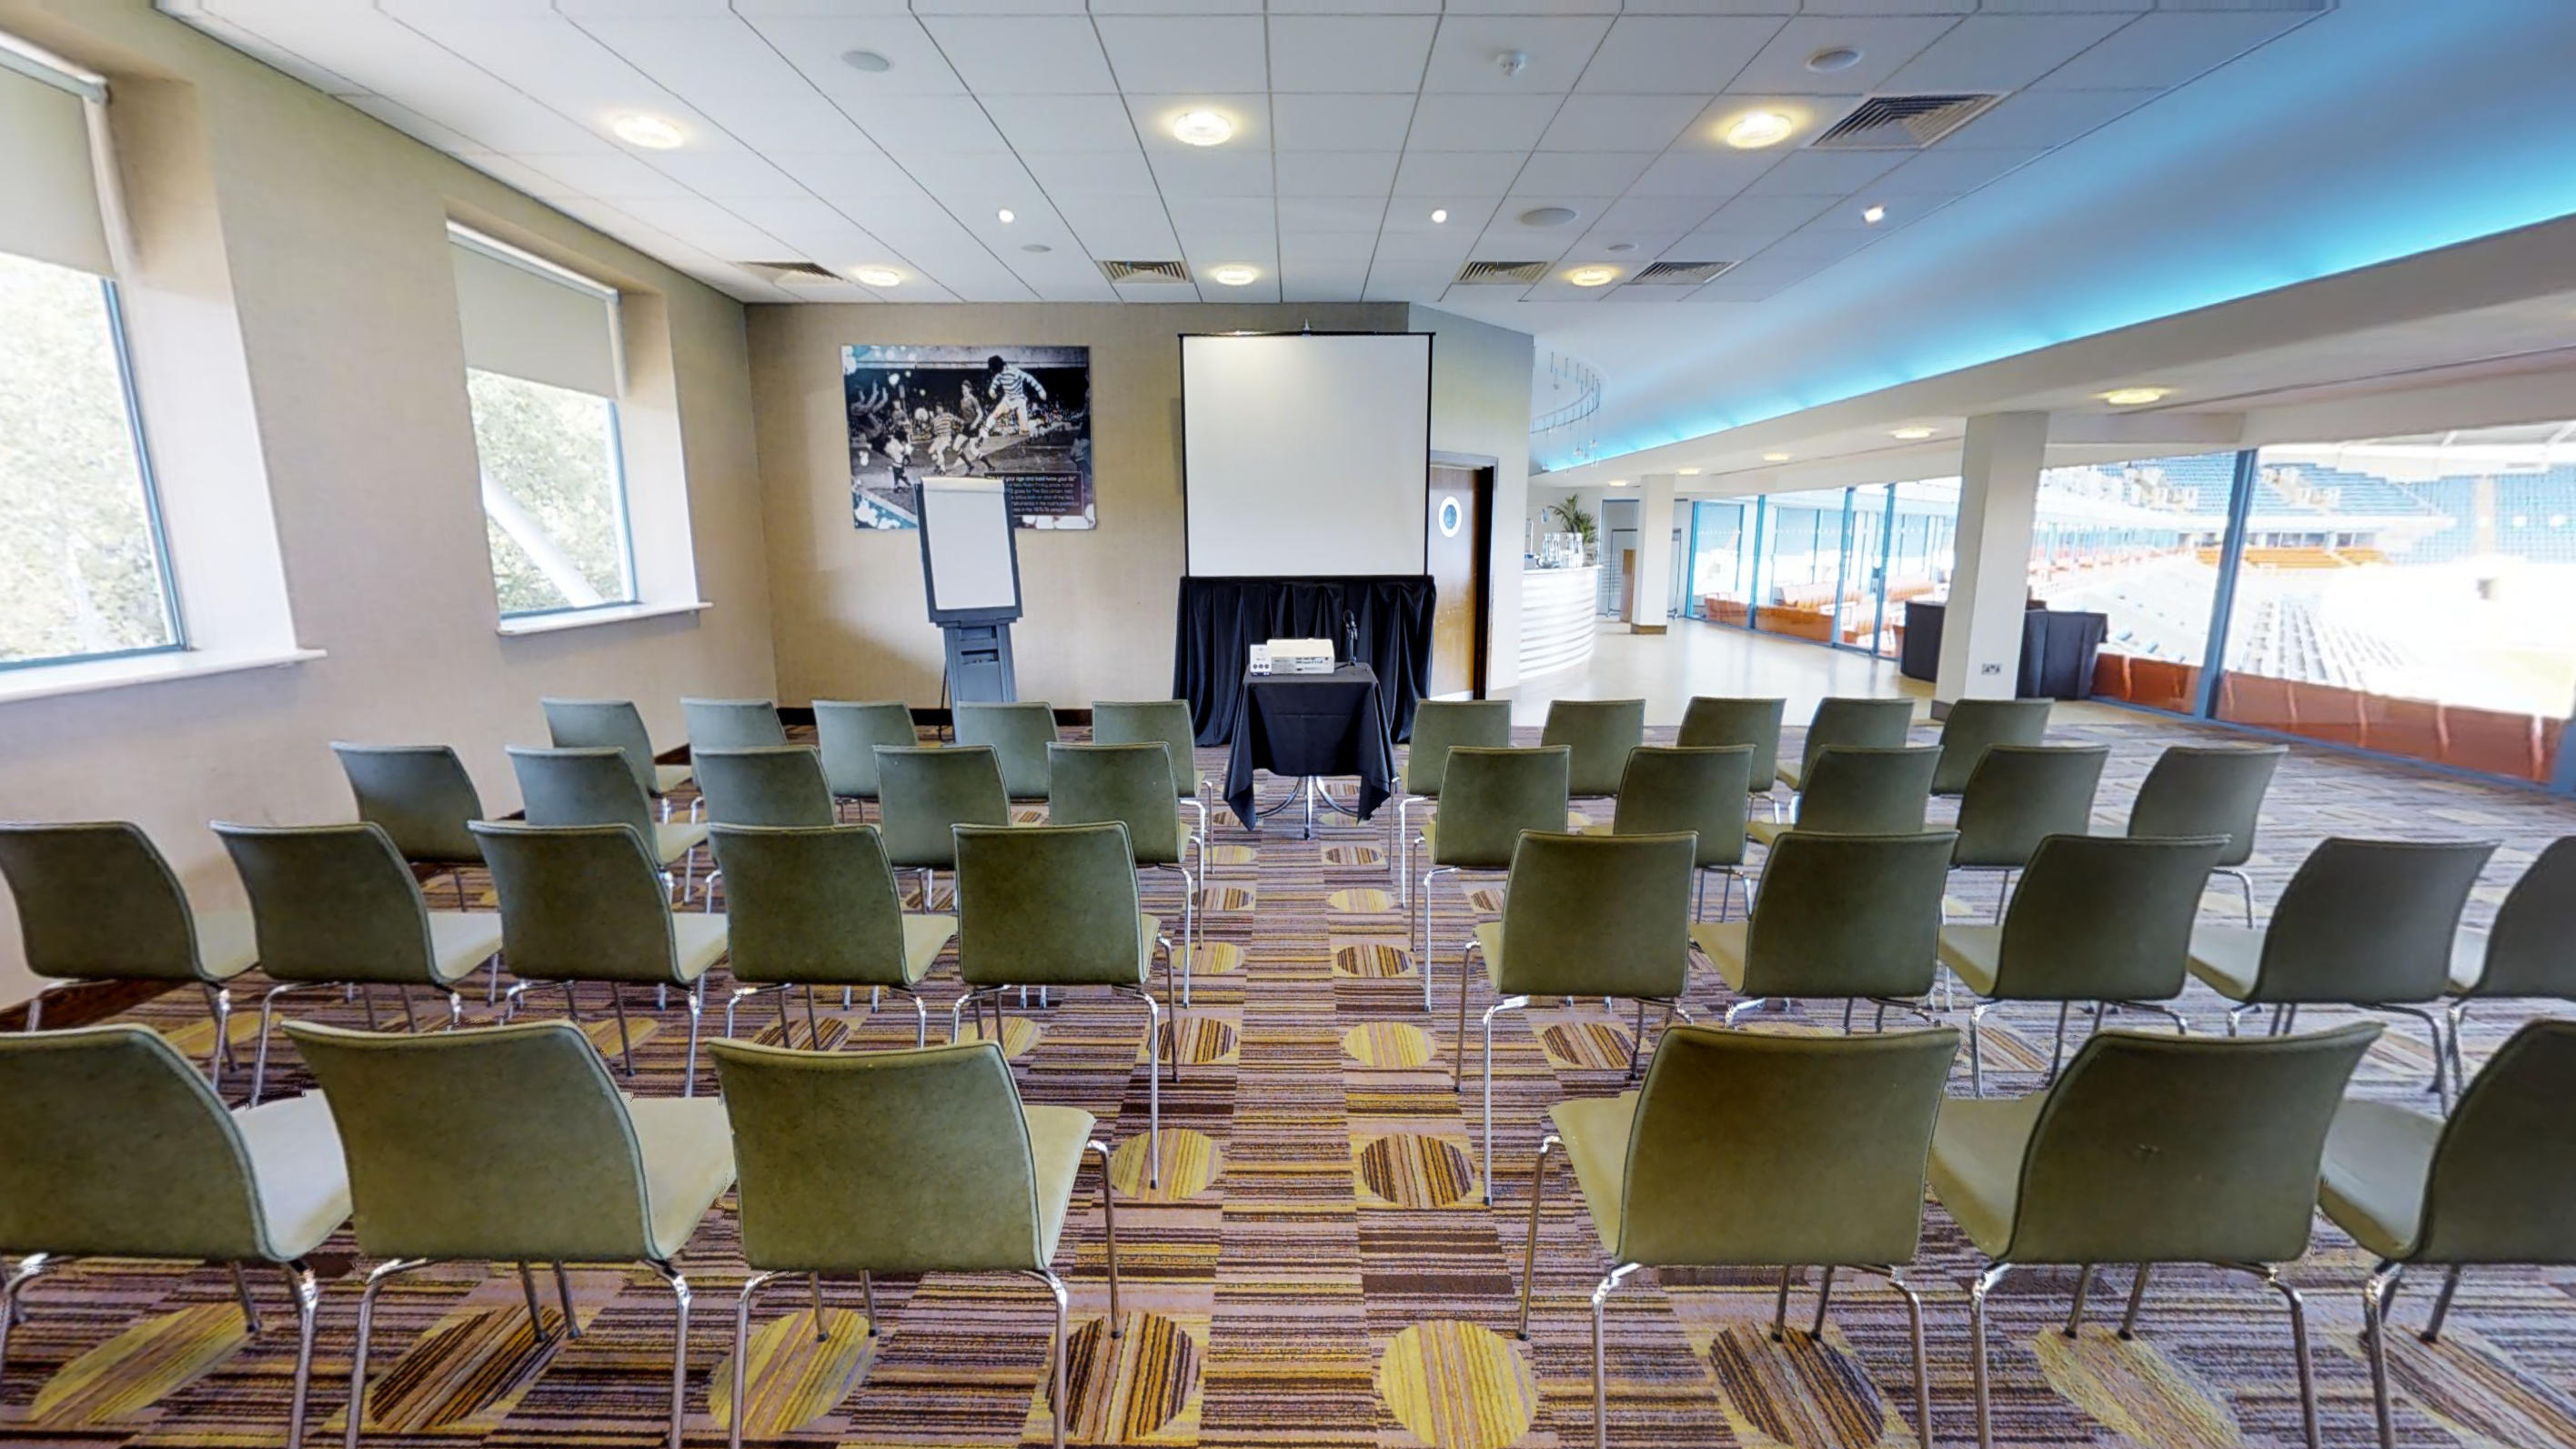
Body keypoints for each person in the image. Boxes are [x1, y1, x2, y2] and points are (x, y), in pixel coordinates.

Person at [978, 354, 1045, 440]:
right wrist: (991, 391)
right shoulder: (999, 374)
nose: (994, 373)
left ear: (997, 367)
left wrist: (1041, 391)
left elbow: (1029, 378)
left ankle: (1037, 422)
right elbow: (995, 383)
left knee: (1024, 431)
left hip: (1019, 400)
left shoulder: (1014, 372)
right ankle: (985, 431)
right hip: (1008, 399)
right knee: (996, 413)